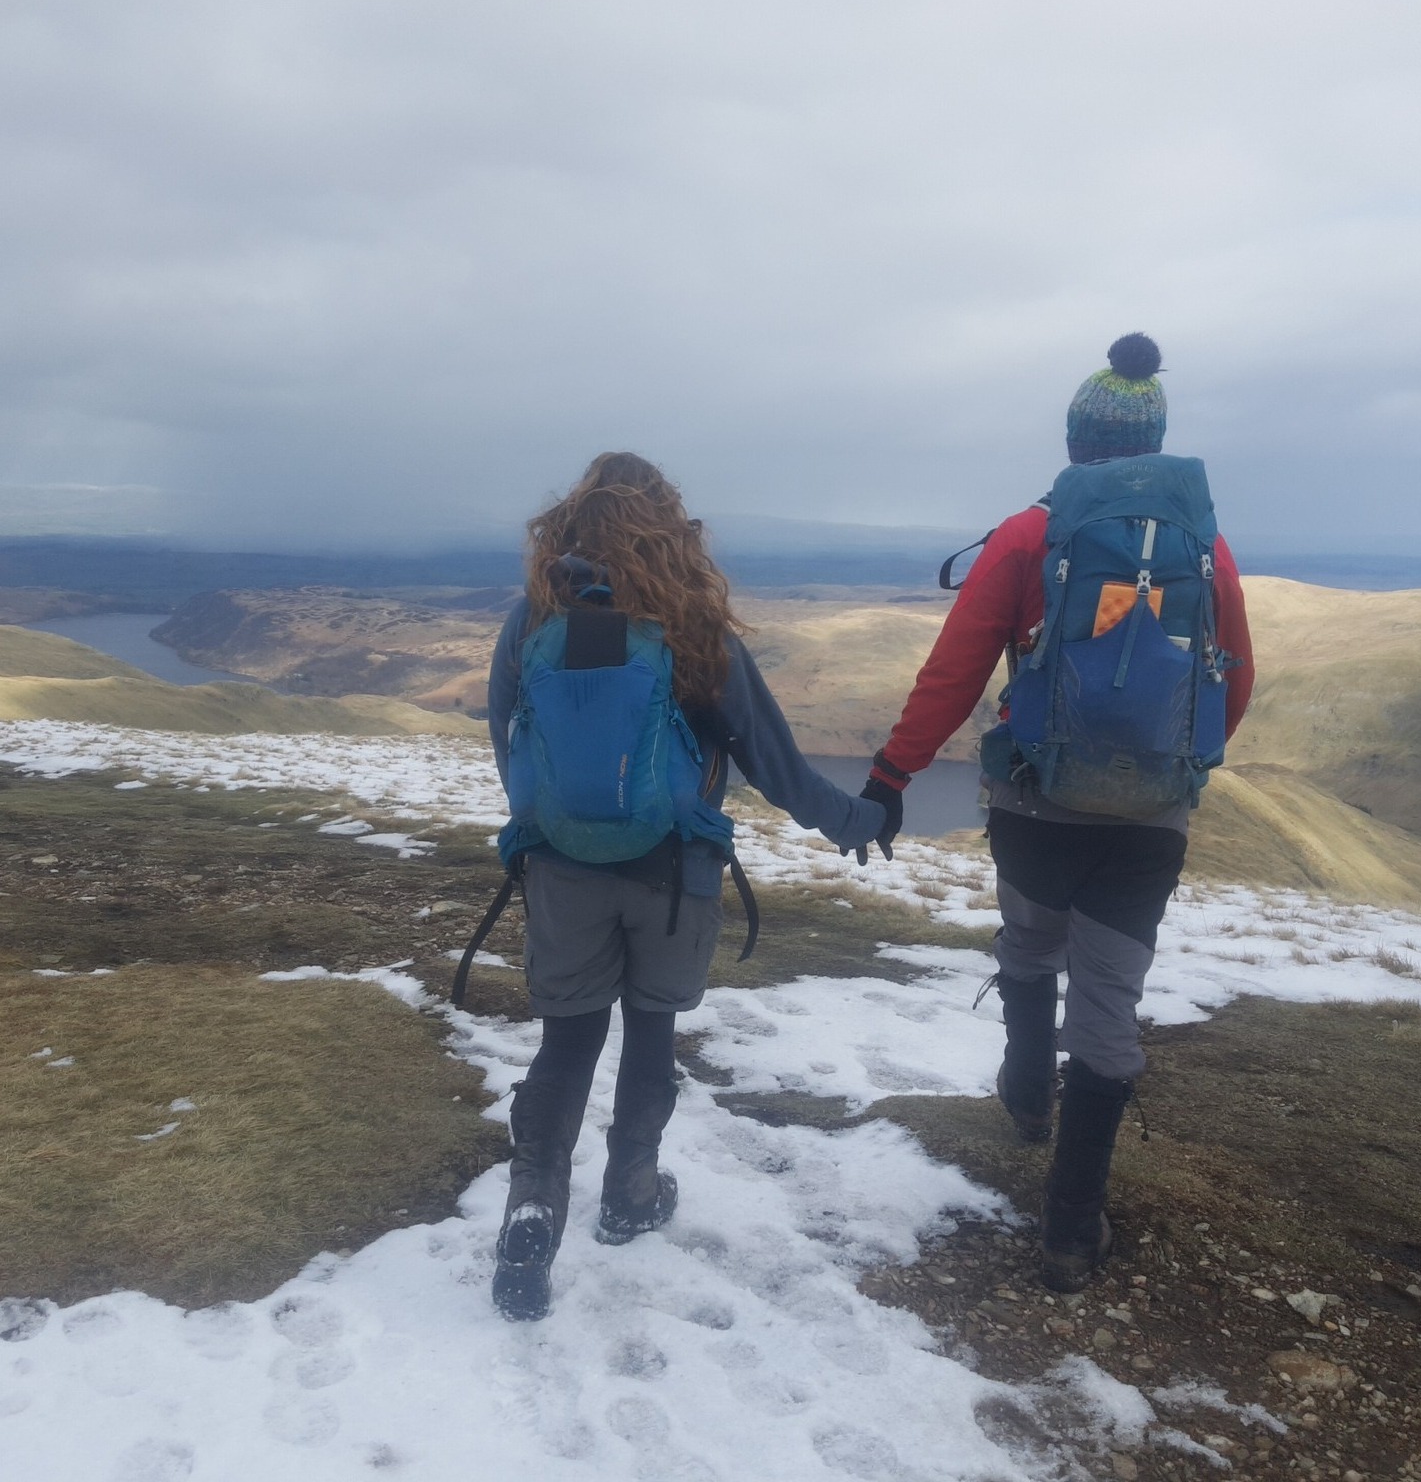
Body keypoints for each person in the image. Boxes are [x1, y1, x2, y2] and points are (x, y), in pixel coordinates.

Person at [859, 335, 1255, 1291]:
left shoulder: (1027, 537)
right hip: (1148, 818)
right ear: (1156, 443)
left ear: (1075, 443)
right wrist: (1174, 770)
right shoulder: (1204, 547)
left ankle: (1029, 1093)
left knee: (1032, 944)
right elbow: (1232, 679)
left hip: (1035, 802)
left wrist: (891, 776)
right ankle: (1073, 1229)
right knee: (1111, 1004)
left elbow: (955, 672)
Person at [485, 451, 888, 1321]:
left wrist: (549, 831)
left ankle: (531, 1210)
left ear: (567, 526)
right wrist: (857, 821)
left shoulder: (533, 620)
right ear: (669, 530)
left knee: (566, 1043)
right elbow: (774, 763)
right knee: (650, 1032)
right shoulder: (692, 625)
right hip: (673, 874)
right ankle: (631, 1195)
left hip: (562, 869)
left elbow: (510, 740)